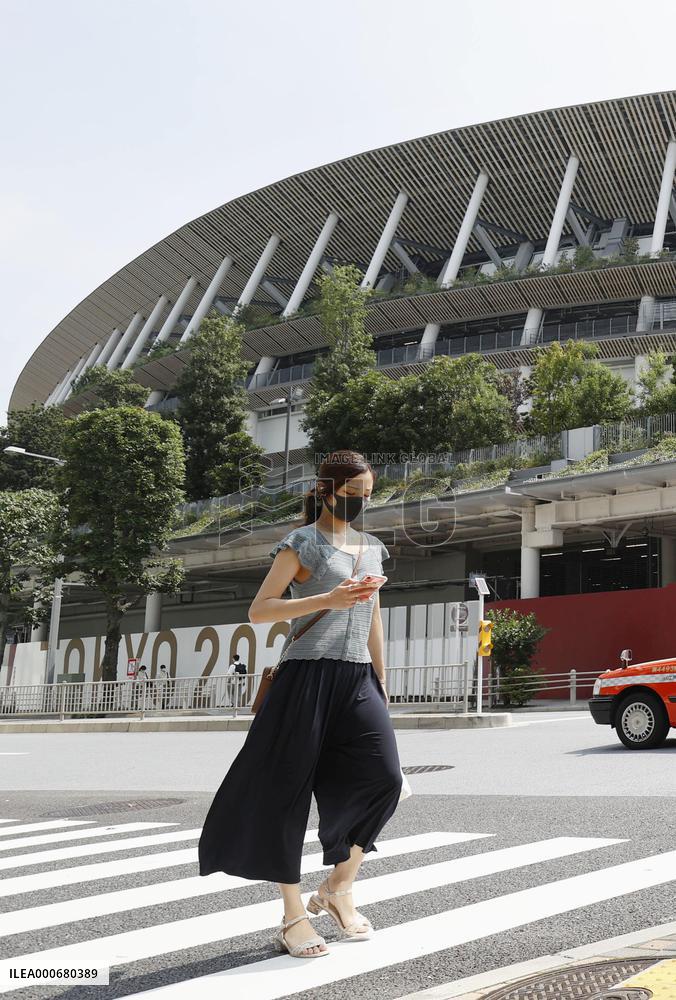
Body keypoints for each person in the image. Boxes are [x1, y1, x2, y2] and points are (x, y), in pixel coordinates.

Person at [198, 449, 402, 959]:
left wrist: (380, 681)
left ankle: (336, 888)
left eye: (367, 496)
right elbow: (261, 609)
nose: (359, 503)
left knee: (385, 779)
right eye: (352, 495)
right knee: (286, 793)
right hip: (306, 676)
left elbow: (374, 616)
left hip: (357, 678)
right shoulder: (303, 543)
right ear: (327, 490)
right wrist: (326, 600)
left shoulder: (373, 548)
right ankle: (292, 917)